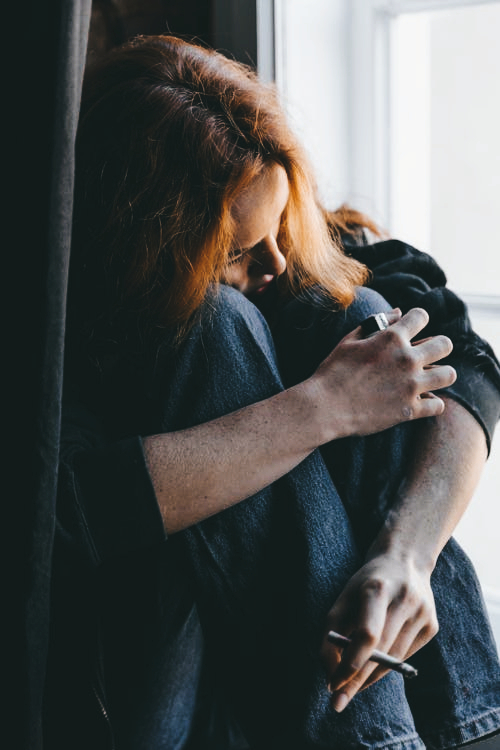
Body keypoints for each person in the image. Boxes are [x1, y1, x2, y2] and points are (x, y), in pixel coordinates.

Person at [45, 34, 500, 749]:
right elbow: (68, 511)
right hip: (153, 675)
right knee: (220, 326)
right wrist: (321, 409)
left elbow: (465, 361)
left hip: (292, 678)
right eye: (236, 252)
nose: (276, 260)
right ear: (147, 254)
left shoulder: (290, 257)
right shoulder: (57, 339)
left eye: (280, 224)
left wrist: (403, 554)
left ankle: (462, 727)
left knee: (361, 317)